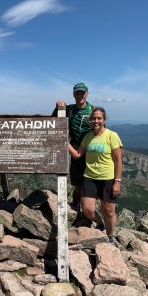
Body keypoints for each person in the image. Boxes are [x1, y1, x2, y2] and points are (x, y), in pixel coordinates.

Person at [68, 107, 123, 244]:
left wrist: (117, 181)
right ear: (90, 120)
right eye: (93, 118)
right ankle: (101, 223)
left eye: (99, 118)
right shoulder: (88, 136)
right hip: (90, 177)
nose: (96, 121)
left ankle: (110, 236)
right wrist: (64, 142)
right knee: (87, 209)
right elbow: (77, 155)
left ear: (104, 120)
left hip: (108, 178)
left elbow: (118, 161)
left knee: (108, 210)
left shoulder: (112, 135)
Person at [52, 83, 94, 214]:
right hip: (75, 148)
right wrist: (57, 108)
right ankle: (76, 205)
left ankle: (87, 210)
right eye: (77, 93)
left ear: (87, 93)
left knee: (90, 182)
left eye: (82, 93)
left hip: (91, 148)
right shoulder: (69, 109)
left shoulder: (93, 110)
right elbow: (54, 121)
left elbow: (100, 129)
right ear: (73, 94)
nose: (80, 95)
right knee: (78, 183)